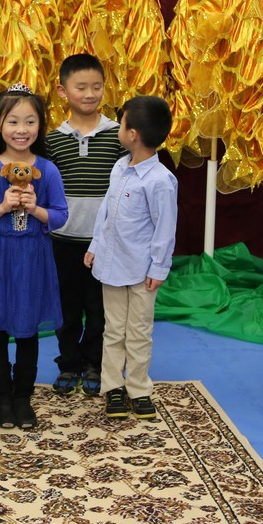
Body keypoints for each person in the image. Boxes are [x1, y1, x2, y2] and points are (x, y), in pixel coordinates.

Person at [0, 83, 68, 430]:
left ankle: (23, 397)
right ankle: (2, 397)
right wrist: (2, 207)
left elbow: (60, 215)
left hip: (34, 257)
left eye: (29, 121)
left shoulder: (47, 170)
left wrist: (36, 209)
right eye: (13, 121)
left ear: (40, 125)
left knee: (28, 330)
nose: (21, 130)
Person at [85, 96, 178, 420]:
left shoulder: (160, 180)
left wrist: (159, 267)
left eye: (121, 124)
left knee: (138, 332)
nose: (118, 130)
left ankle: (138, 388)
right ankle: (112, 386)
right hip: (111, 266)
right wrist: (95, 246)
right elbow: (106, 212)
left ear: (133, 134)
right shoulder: (119, 167)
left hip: (141, 272)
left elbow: (165, 228)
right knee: (113, 330)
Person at [46, 53, 124, 397]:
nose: (90, 94)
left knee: (99, 309)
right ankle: (69, 363)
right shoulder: (51, 140)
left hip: (104, 241)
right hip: (62, 240)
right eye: (81, 87)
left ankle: (95, 363)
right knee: (65, 309)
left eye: (97, 86)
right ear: (63, 91)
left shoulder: (118, 136)